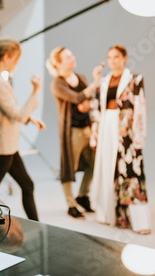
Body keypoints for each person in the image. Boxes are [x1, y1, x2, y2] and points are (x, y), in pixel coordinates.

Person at [0, 37, 45, 221]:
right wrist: (36, 90)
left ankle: (37, 226)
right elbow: (16, 115)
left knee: (27, 185)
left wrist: (30, 118)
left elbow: (6, 111)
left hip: (7, 145)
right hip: (3, 146)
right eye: (17, 59)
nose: (17, 64)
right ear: (8, 57)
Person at [90, 45, 150, 234]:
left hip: (126, 129)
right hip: (107, 126)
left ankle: (140, 221)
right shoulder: (104, 81)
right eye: (110, 57)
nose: (113, 61)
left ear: (124, 58)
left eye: (117, 57)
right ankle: (115, 216)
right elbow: (97, 109)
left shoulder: (135, 79)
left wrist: (139, 136)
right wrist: (95, 133)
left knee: (131, 170)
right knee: (110, 169)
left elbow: (140, 108)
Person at [46, 47, 103, 219]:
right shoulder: (58, 83)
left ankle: (83, 196)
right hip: (72, 131)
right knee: (68, 168)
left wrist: (87, 102)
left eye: (72, 54)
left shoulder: (80, 77)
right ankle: (71, 204)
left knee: (94, 165)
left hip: (87, 128)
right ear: (59, 63)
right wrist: (95, 82)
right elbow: (77, 98)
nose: (73, 58)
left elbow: (89, 99)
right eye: (68, 56)